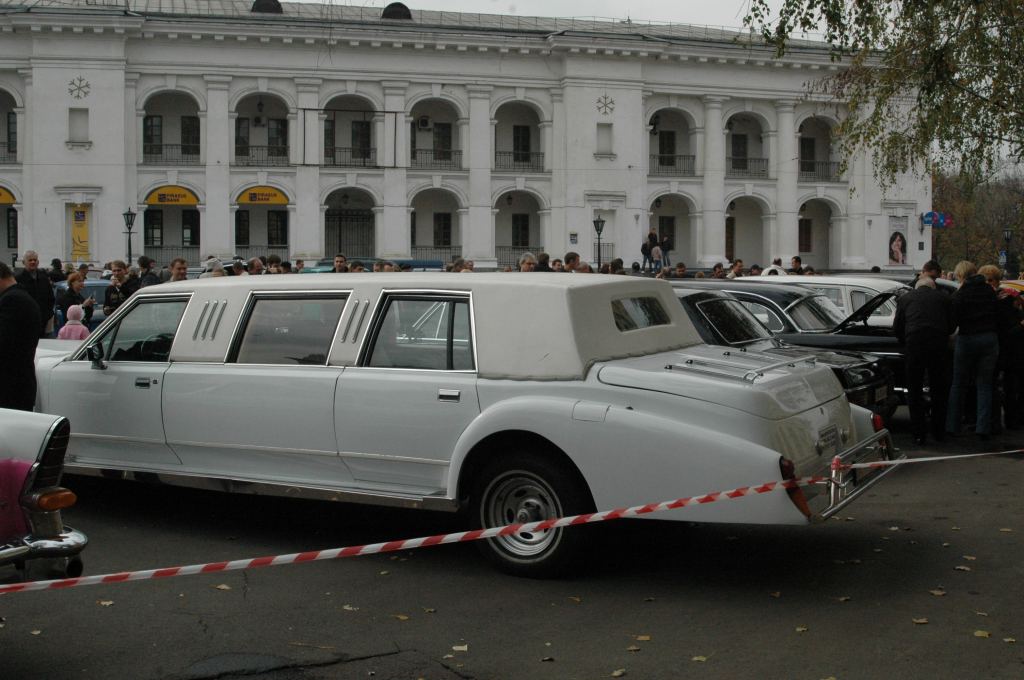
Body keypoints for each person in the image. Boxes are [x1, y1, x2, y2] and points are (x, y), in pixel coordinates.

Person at [893, 276, 954, 446]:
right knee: (939, 388)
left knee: (914, 389)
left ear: (917, 287)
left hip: (915, 344)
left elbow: (897, 327)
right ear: (933, 287)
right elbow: (951, 326)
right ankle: (938, 431)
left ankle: (918, 433)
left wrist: (906, 341)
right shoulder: (944, 298)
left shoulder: (905, 299)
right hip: (938, 345)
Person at [946, 261, 1000, 440]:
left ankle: (952, 426)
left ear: (961, 276)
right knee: (984, 384)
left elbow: (953, 321)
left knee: (958, 383)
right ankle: (982, 427)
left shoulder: (960, 294)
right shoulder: (989, 291)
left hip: (967, 338)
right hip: (989, 338)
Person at [0, 262, 41, 410]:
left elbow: (5, 343)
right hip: (17, 384)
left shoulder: (13, 300)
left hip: (10, 386)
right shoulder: (20, 297)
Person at [15, 250, 55, 337]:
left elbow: (50, 298)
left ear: (38, 262)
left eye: (35, 260)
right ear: (23, 262)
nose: (33, 262)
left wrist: (47, 314)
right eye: (30, 260)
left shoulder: (44, 278)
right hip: (25, 323)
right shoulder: (18, 279)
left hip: (42, 321)